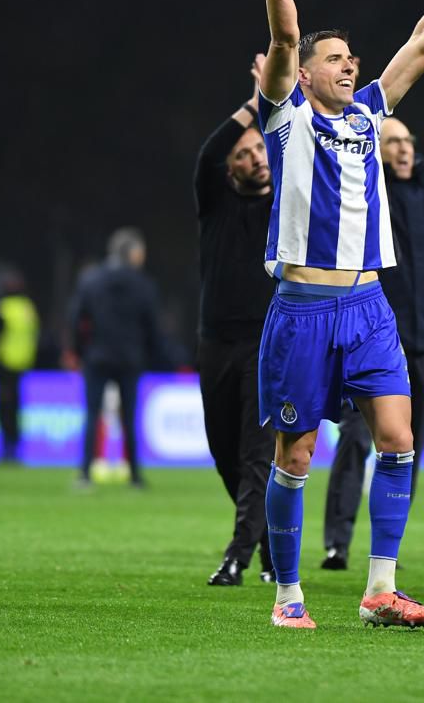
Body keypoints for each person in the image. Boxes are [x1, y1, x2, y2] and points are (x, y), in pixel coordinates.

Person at [254, 0, 424, 630]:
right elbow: (282, 39)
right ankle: (287, 596)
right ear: (305, 74)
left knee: (399, 440)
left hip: (369, 308)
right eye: (334, 59)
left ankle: (381, 590)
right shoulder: (286, 116)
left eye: (352, 58)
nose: (349, 66)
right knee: (297, 454)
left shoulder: (369, 115)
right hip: (303, 307)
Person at [320, 116, 424, 570]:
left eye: (407, 141)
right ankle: (337, 541)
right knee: (355, 437)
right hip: (373, 335)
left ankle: (388, 542)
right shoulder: (365, 188)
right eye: (392, 142)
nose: (403, 149)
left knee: (408, 444)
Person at [196, 63, 277, 587]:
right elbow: (209, 152)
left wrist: (272, 108)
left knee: (256, 455)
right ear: (230, 169)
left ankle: (237, 556)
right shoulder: (216, 200)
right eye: (244, 154)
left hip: (266, 342)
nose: (255, 158)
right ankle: (271, 544)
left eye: (260, 150)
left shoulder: (287, 200)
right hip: (215, 342)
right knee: (225, 453)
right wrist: (255, 102)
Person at [66, 228, 167, 490]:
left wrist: (79, 351)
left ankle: (85, 473)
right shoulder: (143, 284)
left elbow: (77, 318)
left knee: (92, 414)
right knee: (129, 417)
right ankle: (134, 476)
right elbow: (152, 326)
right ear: (133, 253)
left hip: (96, 356)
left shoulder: (91, 280)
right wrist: (152, 355)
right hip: (130, 358)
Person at [0, 272, 39, 463]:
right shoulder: (28, 308)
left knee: (5, 406)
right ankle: (15, 445)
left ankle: (7, 446)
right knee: (16, 406)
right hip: (23, 363)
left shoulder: (4, 308)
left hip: (4, 362)